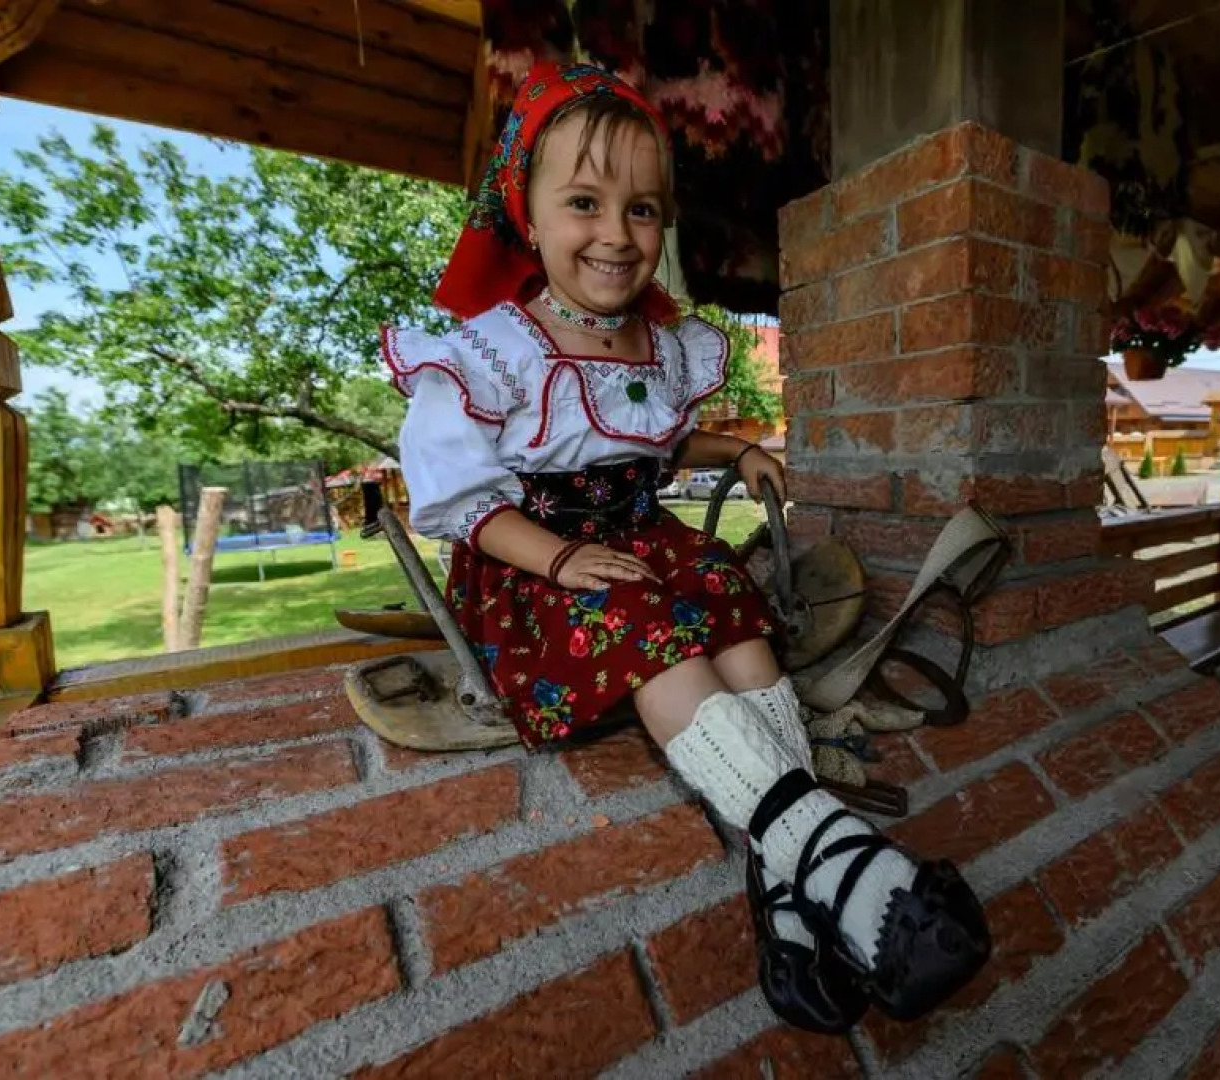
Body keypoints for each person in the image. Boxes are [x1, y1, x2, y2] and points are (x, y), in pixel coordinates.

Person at [383, 61, 991, 1033]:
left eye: (642, 209)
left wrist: (733, 449)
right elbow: (462, 498)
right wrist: (553, 557)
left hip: (638, 536)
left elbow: (656, 440)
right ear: (526, 217)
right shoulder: (487, 354)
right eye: (583, 202)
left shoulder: (657, 347)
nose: (616, 235)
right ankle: (831, 849)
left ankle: (791, 883)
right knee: (639, 617)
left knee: (722, 598)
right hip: (536, 563)